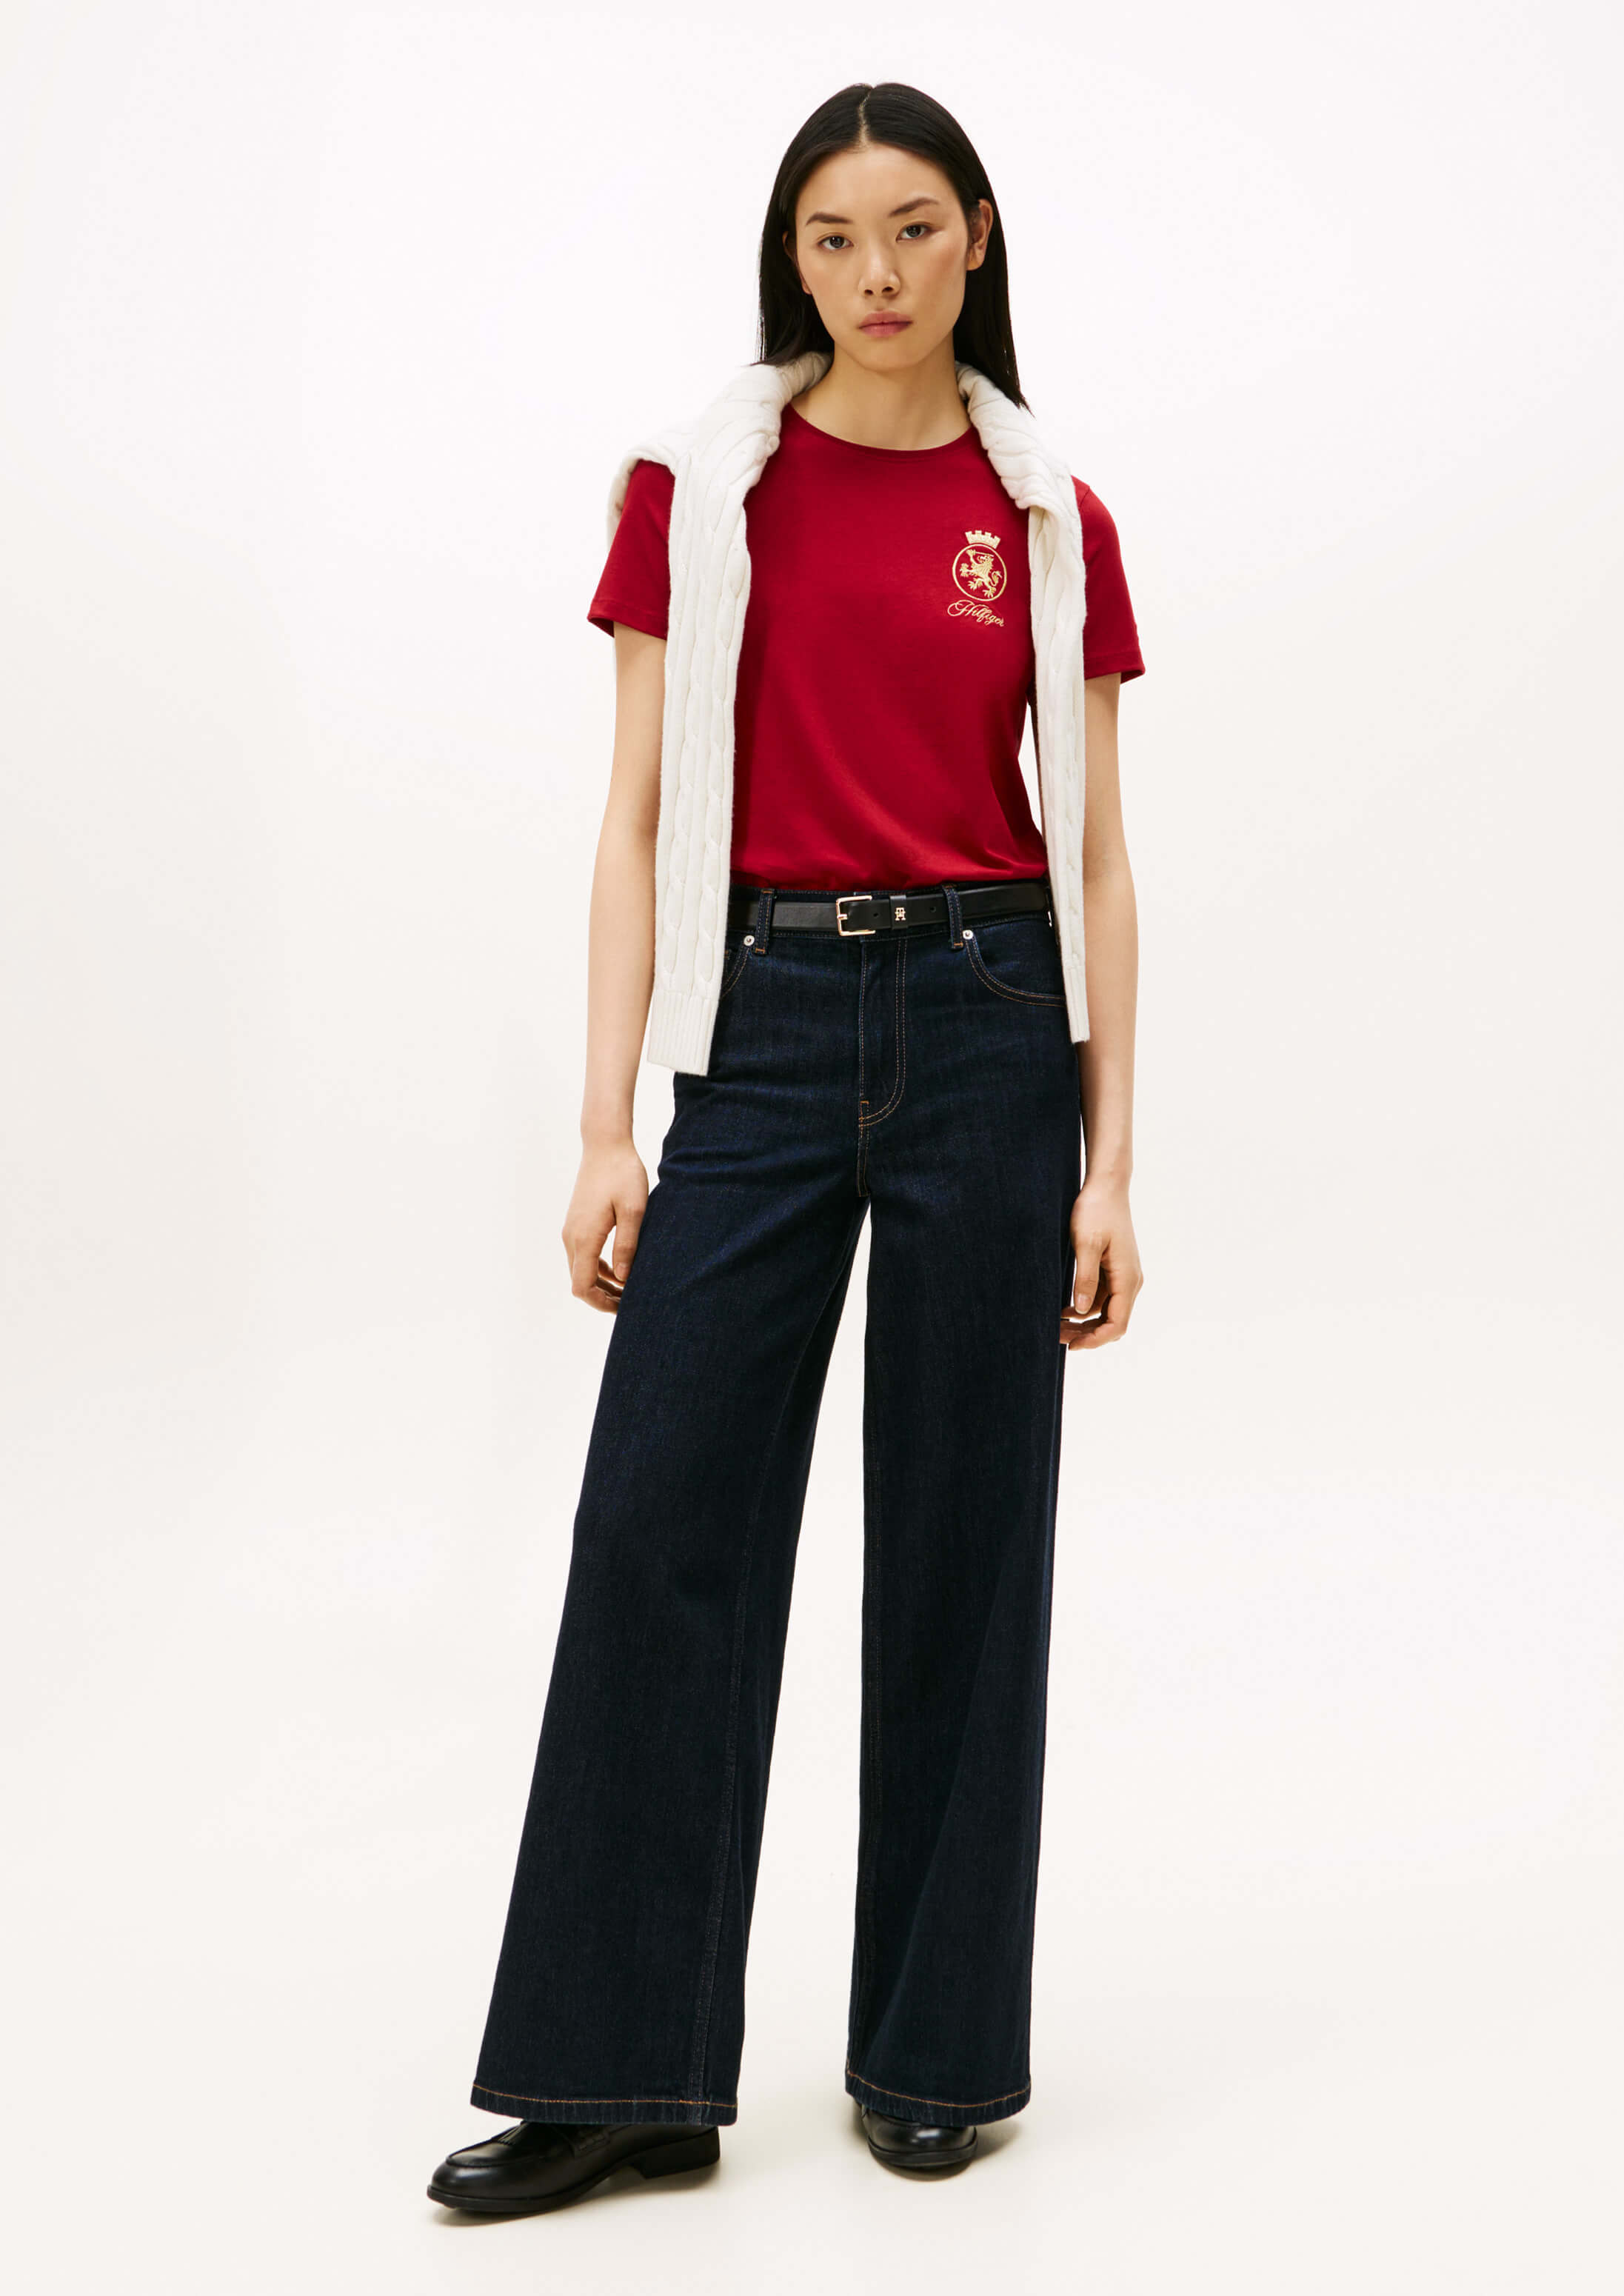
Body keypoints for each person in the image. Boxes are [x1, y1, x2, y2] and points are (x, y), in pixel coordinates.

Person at [428, 79, 1145, 2216]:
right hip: (757, 1024)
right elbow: (637, 812)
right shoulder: (701, 488)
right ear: (792, 257)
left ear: (979, 236)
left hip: (992, 1023)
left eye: (913, 230)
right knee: (663, 1518)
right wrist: (604, 1120)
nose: (876, 275)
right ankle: (619, 2070)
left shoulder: (1048, 516)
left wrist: (1112, 1162)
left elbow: (1100, 854)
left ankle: (937, 2051)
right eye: (835, 238)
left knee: (965, 1536)